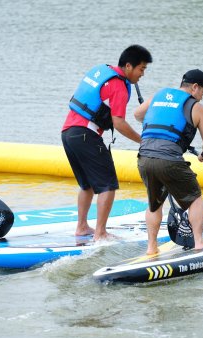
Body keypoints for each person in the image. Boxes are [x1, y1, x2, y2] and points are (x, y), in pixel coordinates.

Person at [61, 45, 153, 241]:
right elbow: (118, 122)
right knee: (108, 186)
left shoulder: (103, 71)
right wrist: (142, 141)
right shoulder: (118, 86)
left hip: (68, 133)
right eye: (141, 69)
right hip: (86, 135)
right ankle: (100, 233)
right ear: (128, 66)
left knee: (87, 185)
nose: (142, 74)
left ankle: (82, 227)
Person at [134, 69, 203, 254]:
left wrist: (158, 118)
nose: (202, 97)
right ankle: (199, 242)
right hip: (169, 160)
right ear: (195, 87)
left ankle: (151, 247)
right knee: (195, 198)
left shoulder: (159, 95)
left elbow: (138, 115)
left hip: (144, 158)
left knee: (154, 204)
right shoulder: (197, 108)